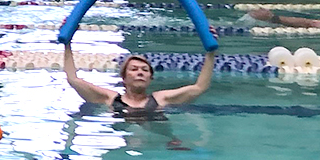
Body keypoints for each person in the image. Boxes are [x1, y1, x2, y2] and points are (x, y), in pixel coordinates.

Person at [62, 44, 214, 121]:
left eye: (145, 70)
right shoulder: (110, 98)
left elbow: (199, 87)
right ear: (124, 78)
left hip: (163, 145)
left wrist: (211, 52)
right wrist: (67, 44)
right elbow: (73, 79)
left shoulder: (161, 99)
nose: (140, 72)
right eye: (134, 69)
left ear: (150, 78)